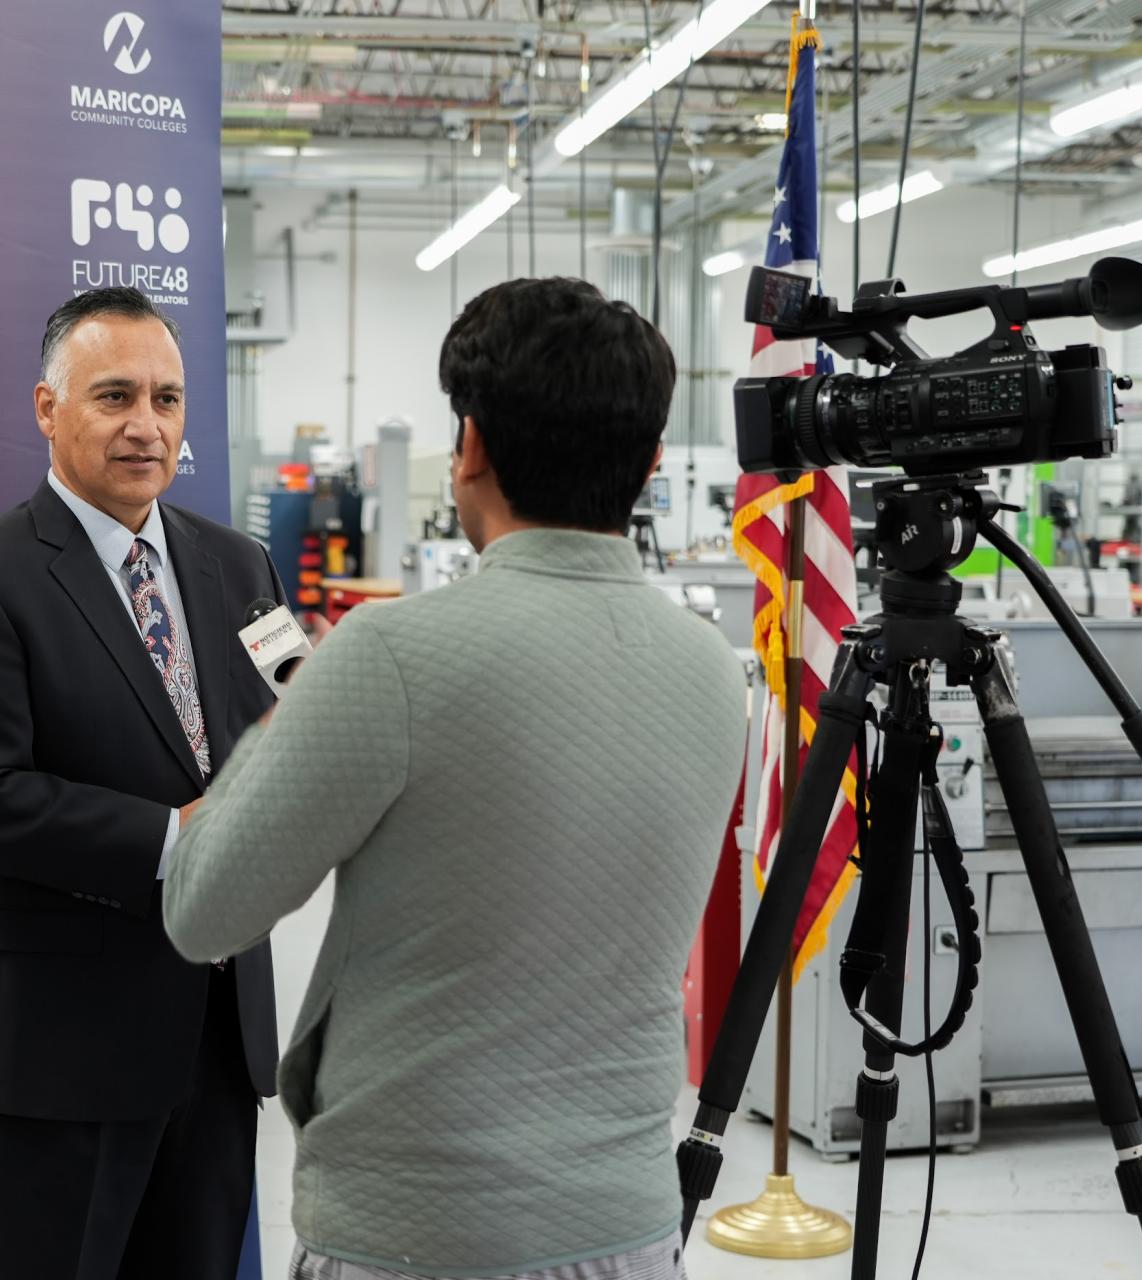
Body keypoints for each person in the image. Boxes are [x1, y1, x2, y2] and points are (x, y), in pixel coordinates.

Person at [163, 277, 748, 1280]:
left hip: (416, 1231)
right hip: (632, 1225)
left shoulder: (391, 654)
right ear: (652, 464)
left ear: (469, 445)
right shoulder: (710, 667)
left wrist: (281, 727)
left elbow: (203, 909)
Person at [0, 286, 282, 1280]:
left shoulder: (241, 564)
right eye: (114, 395)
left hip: (216, 1035)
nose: (145, 425)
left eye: (166, 398)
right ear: (46, 408)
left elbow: (281, 725)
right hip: (64, 1047)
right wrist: (178, 833)